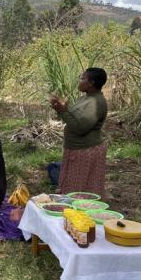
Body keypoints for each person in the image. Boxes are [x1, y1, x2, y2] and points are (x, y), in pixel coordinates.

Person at [49, 67, 108, 198]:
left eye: (82, 78)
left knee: (79, 190)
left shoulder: (96, 103)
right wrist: (63, 108)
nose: (80, 81)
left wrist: (63, 111)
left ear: (91, 83)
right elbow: (75, 118)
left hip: (85, 152)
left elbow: (80, 128)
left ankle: (78, 216)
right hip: (76, 150)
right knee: (72, 187)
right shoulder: (87, 98)